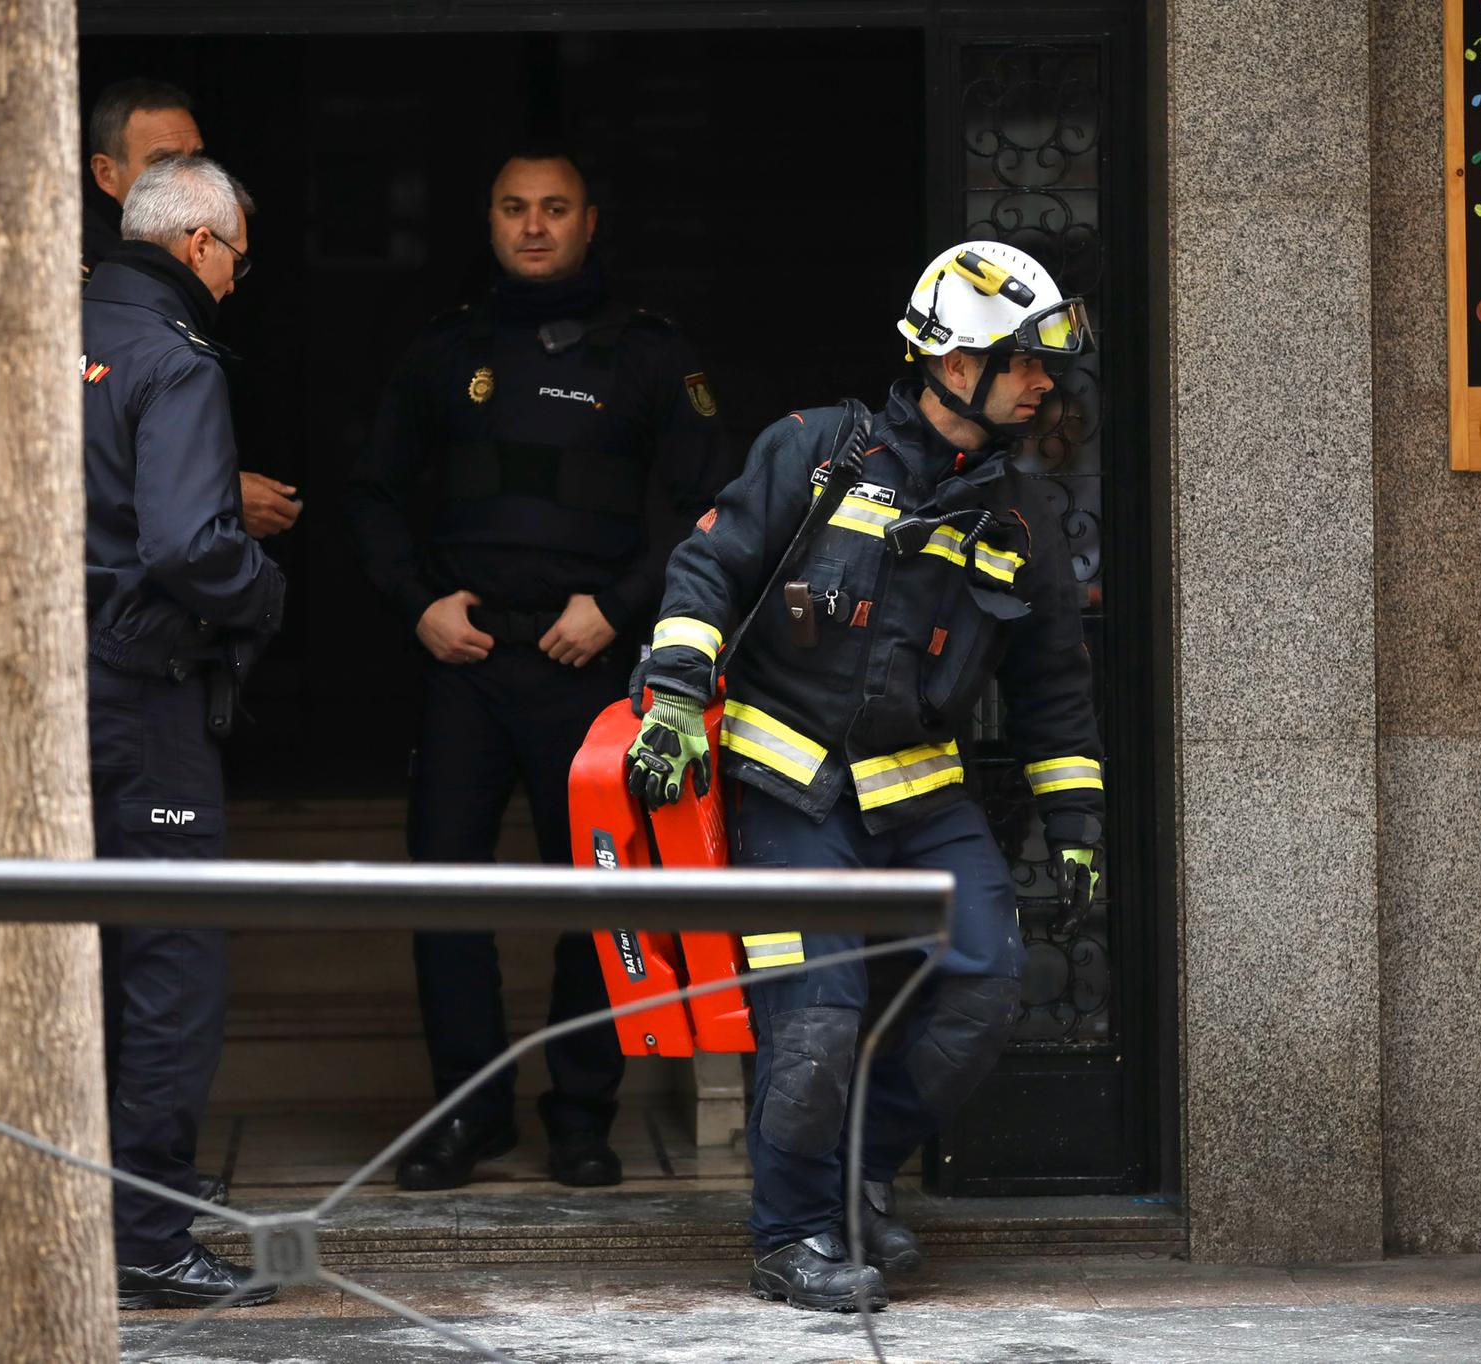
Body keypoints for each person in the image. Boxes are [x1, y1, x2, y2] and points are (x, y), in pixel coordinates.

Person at [624, 241, 1107, 1311]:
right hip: (788, 784)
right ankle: (789, 1235)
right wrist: (673, 693)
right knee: (818, 1012)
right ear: (954, 363)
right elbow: (708, 566)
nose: (1043, 382)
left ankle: (852, 1176)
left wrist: (1073, 820)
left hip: (921, 794)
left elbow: (1052, 685)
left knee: (986, 988)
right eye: (1024, 361)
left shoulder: (1020, 512)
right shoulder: (813, 450)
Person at [0, 154, 285, 1310]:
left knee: (39, 963)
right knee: (168, 968)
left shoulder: (38, 332)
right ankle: (141, 1232)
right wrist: (264, 588)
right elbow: (188, 545)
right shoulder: (174, 360)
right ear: (198, 245)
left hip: (27, 692)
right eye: (235, 260)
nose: (233, 282)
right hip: (141, 695)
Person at [345, 147, 731, 1191]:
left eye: (554, 208)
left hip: (586, 665)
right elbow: (372, 491)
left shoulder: (647, 353)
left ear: (589, 221)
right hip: (466, 661)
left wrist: (618, 607)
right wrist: (416, 603)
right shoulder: (444, 350)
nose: (532, 225)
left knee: (595, 893)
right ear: (488, 219)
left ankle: (581, 1115)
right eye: (513, 207)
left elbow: (711, 509)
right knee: (446, 891)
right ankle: (467, 1117)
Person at [84, 76, 300, 541]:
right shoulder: (62, 273)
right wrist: (216, 493)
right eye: (162, 162)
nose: (187, 176)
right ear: (105, 174)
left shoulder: (213, 244)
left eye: (197, 159)